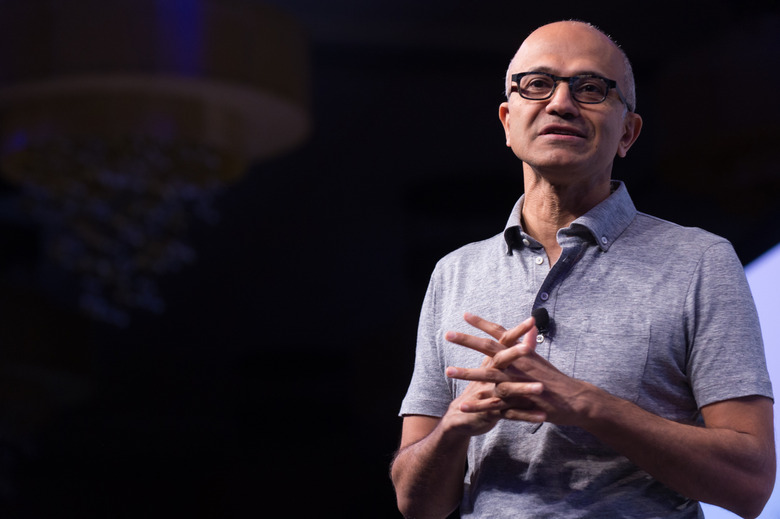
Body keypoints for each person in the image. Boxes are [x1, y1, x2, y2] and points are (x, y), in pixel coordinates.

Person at [390, 20, 775, 519]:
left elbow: (750, 485)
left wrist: (586, 404)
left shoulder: (700, 261)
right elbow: (414, 504)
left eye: (592, 88)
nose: (561, 103)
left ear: (628, 134)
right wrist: (456, 425)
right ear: (508, 121)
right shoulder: (454, 272)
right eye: (537, 84)